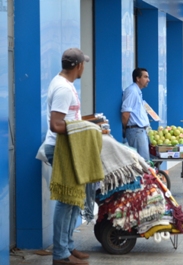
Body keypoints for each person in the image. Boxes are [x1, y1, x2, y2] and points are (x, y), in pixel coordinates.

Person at [43, 48, 90, 265]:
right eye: (84, 64)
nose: (84, 67)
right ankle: (61, 255)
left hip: (70, 148)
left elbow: (68, 119)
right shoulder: (63, 88)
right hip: (62, 149)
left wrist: (91, 123)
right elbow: (56, 124)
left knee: (73, 200)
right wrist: (85, 129)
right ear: (78, 66)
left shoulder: (65, 84)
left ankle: (68, 247)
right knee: (66, 201)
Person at [121, 68, 151, 161]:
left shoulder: (137, 91)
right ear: (138, 78)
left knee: (146, 160)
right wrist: (126, 129)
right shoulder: (132, 91)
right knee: (142, 162)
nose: (148, 80)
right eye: (145, 77)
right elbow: (125, 113)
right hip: (136, 131)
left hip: (141, 131)